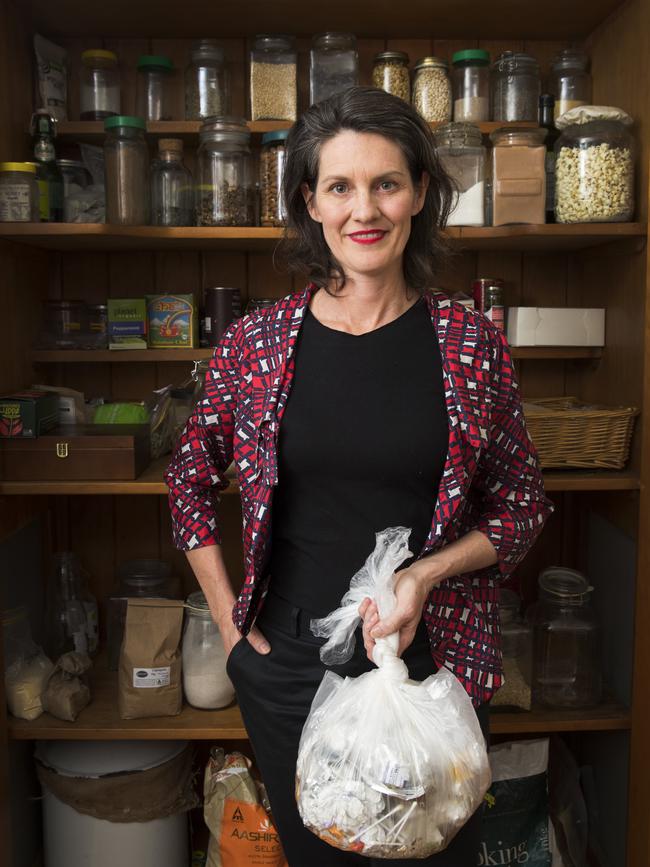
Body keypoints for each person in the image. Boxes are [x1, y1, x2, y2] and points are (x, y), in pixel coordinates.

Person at [165, 86, 553, 866]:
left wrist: (425, 574)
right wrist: (232, 625)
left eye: (386, 182)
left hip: (433, 660)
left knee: (436, 852)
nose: (363, 209)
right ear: (310, 201)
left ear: (418, 193)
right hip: (288, 661)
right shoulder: (258, 342)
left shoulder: (469, 342)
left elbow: (521, 503)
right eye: (339, 186)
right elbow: (189, 479)